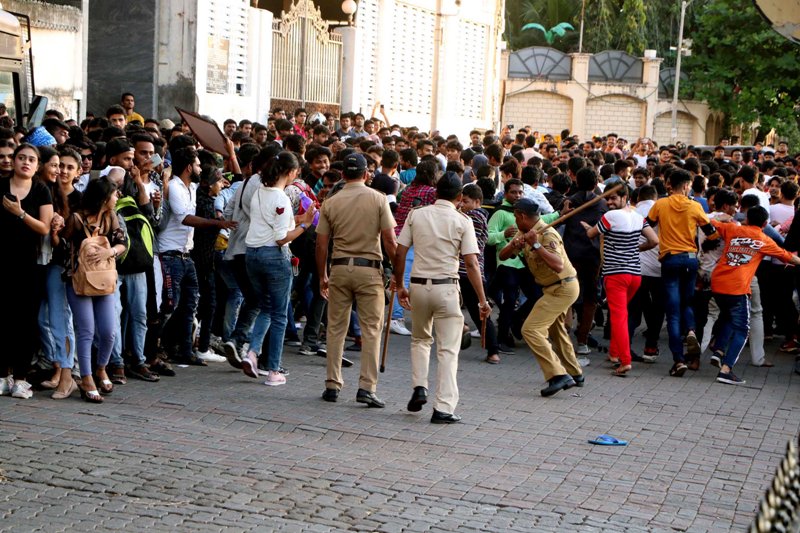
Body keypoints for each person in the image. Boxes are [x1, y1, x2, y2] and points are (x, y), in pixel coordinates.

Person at [394, 172, 491, 423]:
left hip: (418, 286)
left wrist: (399, 285)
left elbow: (400, 250)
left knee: (420, 340)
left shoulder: (417, 214)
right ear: (460, 197)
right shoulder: (463, 221)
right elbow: (471, 262)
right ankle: (443, 407)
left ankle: (419, 387)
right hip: (447, 287)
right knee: (448, 349)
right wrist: (482, 300)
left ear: (435, 192)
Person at [315, 153, 397, 406]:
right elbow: (390, 241)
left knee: (336, 328)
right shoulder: (379, 199)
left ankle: (332, 383)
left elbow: (321, 244)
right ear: (366, 174)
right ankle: (366, 387)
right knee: (372, 329)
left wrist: (322, 275)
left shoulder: (331, 202)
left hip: (339, 268)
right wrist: (398, 272)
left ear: (342, 175)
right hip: (369, 269)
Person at [241, 151, 315, 386]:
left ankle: (252, 353)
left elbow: (274, 220)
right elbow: (282, 237)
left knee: (266, 307)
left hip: (252, 254)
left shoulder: (260, 192)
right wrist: (305, 225)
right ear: (291, 172)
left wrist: (299, 219)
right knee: (280, 314)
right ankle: (273, 370)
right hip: (273, 256)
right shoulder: (281, 197)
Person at [499, 198, 582, 397]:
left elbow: (558, 265)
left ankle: (557, 375)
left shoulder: (547, 234)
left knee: (530, 329)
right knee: (556, 329)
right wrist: (514, 245)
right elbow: (502, 256)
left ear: (521, 216)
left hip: (563, 286)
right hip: (552, 288)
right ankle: (575, 372)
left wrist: (536, 244)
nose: (514, 219)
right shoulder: (524, 232)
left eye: (515, 216)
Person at [708, 206, 800, 385]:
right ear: (765, 224)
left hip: (717, 284)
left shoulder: (733, 229)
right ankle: (726, 370)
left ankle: (718, 351)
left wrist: (720, 216)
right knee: (742, 329)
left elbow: (710, 222)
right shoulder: (764, 239)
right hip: (738, 288)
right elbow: (788, 257)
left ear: (747, 219)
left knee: (727, 317)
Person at [581, 180, 658, 376]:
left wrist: (586, 226)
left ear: (625, 197)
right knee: (620, 315)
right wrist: (635, 248)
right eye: (607, 198)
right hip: (634, 275)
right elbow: (654, 240)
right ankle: (615, 354)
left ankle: (625, 360)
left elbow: (591, 234)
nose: (609, 202)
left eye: (613, 198)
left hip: (616, 275)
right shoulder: (638, 217)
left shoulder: (610, 216)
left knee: (619, 317)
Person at [647, 169, 718, 377]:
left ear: (670, 184)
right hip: (690, 259)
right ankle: (691, 331)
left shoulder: (660, 204)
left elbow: (646, 225)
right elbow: (711, 234)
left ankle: (678, 360)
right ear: (687, 186)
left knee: (672, 311)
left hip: (669, 259)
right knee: (687, 302)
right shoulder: (695, 206)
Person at [62, 177, 127, 403]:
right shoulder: (77, 219)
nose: (117, 197)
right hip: (79, 280)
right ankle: (87, 378)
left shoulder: (111, 217)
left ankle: (101, 368)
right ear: (103, 197)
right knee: (86, 330)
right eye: (114, 193)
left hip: (104, 280)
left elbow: (122, 243)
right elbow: (62, 245)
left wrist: (108, 252)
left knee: (109, 331)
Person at [0, 144, 53, 399]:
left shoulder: (42, 190)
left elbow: (44, 228)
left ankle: (21, 377)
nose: (25, 162)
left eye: (31, 159)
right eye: (21, 157)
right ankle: (3, 375)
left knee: (25, 320)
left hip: (28, 264)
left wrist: (20, 213)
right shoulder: (1, 184)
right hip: (2, 261)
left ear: (37, 165)